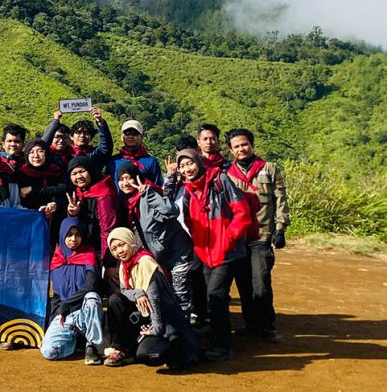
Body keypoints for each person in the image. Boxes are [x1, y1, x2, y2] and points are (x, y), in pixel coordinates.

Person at [165, 149, 251, 361]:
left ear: (198, 162)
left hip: (226, 252)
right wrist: (200, 245)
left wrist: (227, 238)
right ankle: (216, 336)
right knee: (209, 297)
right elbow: (190, 222)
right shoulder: (187, 190)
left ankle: (222, 345)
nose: (187, 169)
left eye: (190, 164)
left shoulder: (219, 180)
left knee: (217, 297)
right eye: (183, 166)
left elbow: (242, 212)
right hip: (205, 253)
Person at [114, 163, 202, 324]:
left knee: (180, 295)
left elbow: (171, 211)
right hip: (158, 256)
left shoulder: (149, 193)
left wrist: (147, 193)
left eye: (128, 178)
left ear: (137, 178)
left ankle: (185, 337)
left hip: (177, 253)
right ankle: (171, 331)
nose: (125, 183)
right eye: (120, 179)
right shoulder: (128, 202)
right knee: (166, 296)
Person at [225, 128, 289, 343]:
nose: (241, 149)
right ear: (230, 150)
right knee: (243, 283)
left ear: (251, 144)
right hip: (239, 237)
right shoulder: (227, 175)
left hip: (262, 235)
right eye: (236, 146)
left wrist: (280, 229)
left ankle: (266, 325)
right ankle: (251, 323)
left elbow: (281, 200)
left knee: (261, 282)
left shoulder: (269, 169)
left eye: (244, 144)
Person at [104, 228, 198, 370]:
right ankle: (122, 348)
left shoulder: (145, 262)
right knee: (115, 300)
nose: (119, 251)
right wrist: (138, 293)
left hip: (163, 318)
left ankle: (176, 350)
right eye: (114, 249)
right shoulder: (125, 265)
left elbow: (154, 300)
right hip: (145, 317)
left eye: (122, 244)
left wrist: (156, 329)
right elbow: (124, 290)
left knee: (147, 355)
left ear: (131, 241)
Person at [39, 218, 103, 365]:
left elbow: (90, 286)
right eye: (69, 235)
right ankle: (75, 343)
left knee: (92, 298)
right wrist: (49, 327)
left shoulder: (89, 255)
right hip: (64, 316)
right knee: (49, 351)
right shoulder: (56, 260)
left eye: (77, 234)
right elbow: (55, 296)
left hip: (84, 313)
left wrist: (66, 305)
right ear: (62, 236)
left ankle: (91, 345)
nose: (73, 239)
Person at [65, 157, 125, 277]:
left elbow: (108, 229)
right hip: (87, 252)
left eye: (82, 171)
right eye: (74, 173)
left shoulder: (104, 193)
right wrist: (73, 213)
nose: (78, 176)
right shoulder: (80, 192)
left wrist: (108, 264)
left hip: (102, 253)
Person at [16, 138, 68, 218]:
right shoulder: (21, 174)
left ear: (46, 153)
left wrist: (33, 189)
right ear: (26, 155)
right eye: (31, 152)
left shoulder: (55, 171)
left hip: (54, 219)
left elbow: (62, 189)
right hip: (29, 218)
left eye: (40, 151)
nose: (36, 155)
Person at [108, 119, 164, 186]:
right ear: (122, 137)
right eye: (127, 133)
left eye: (135, 133)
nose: (130, 136)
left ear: (141, 137)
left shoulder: (151, 162)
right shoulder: (113, 161)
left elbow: (158, 187)